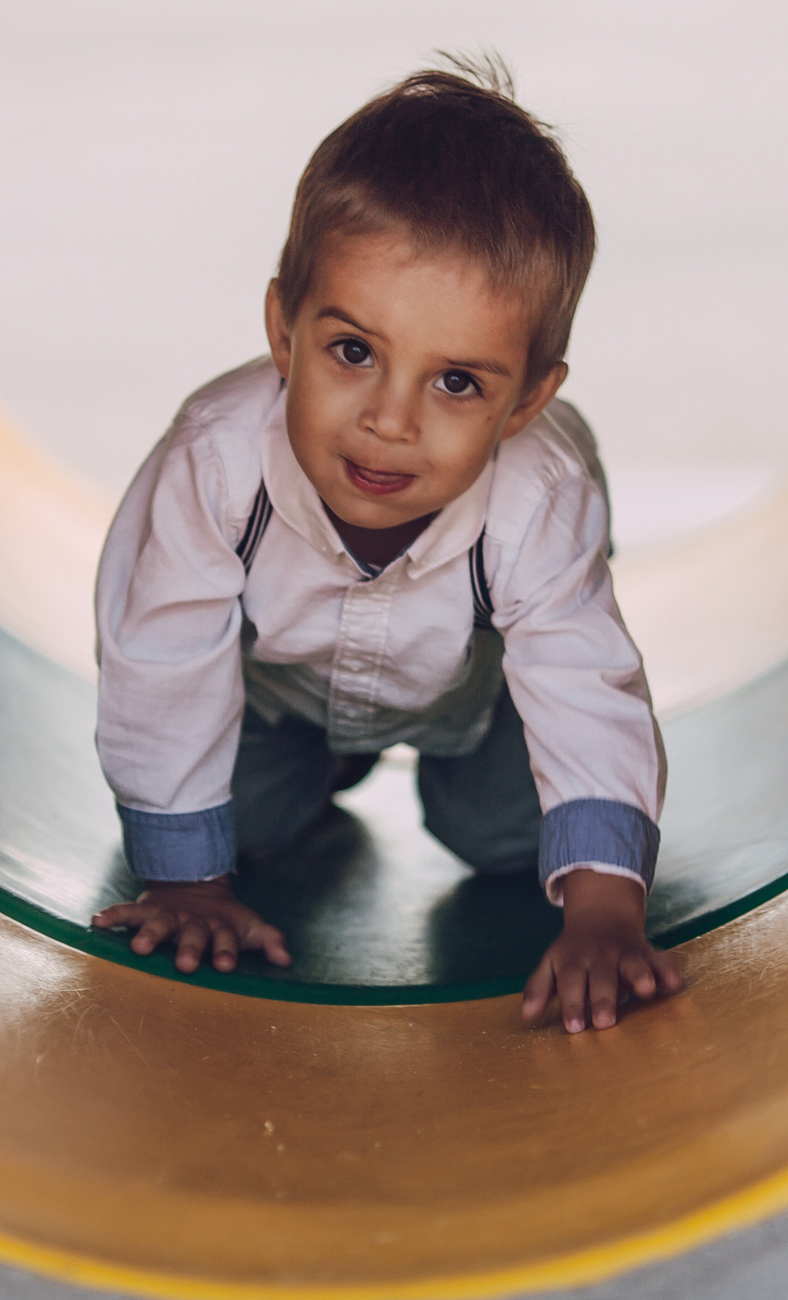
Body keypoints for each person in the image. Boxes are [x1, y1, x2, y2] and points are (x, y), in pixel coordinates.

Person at [89, 62, 680, 1033]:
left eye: (456, 384)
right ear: (284, 328)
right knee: (251, 832)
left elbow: (579, 674)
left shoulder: (537, 492)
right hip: (274, 700)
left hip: (474, 708)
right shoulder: (216, 460)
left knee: (505, 841)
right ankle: (325, 769)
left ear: (528, 401)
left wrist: (607, 912)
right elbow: (159, 656)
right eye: (353, 352)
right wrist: (185, 883)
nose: (390, 421)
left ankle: (447, 790)